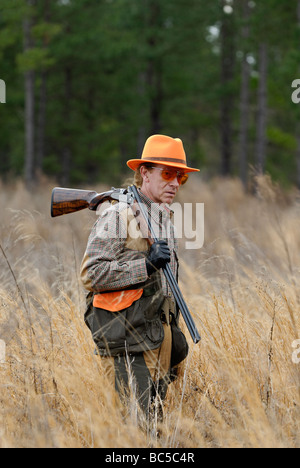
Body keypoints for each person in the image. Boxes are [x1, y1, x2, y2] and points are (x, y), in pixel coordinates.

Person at [80, 134, 200, 420]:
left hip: (159, 340)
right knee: (130, 428)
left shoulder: (164, 219)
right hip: (127, 344)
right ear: (144, 173)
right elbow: (91, 274)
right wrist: (144, 267)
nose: (174, 183)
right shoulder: (118, 216)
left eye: (180, 177)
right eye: (167, 174)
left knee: (154, 426)